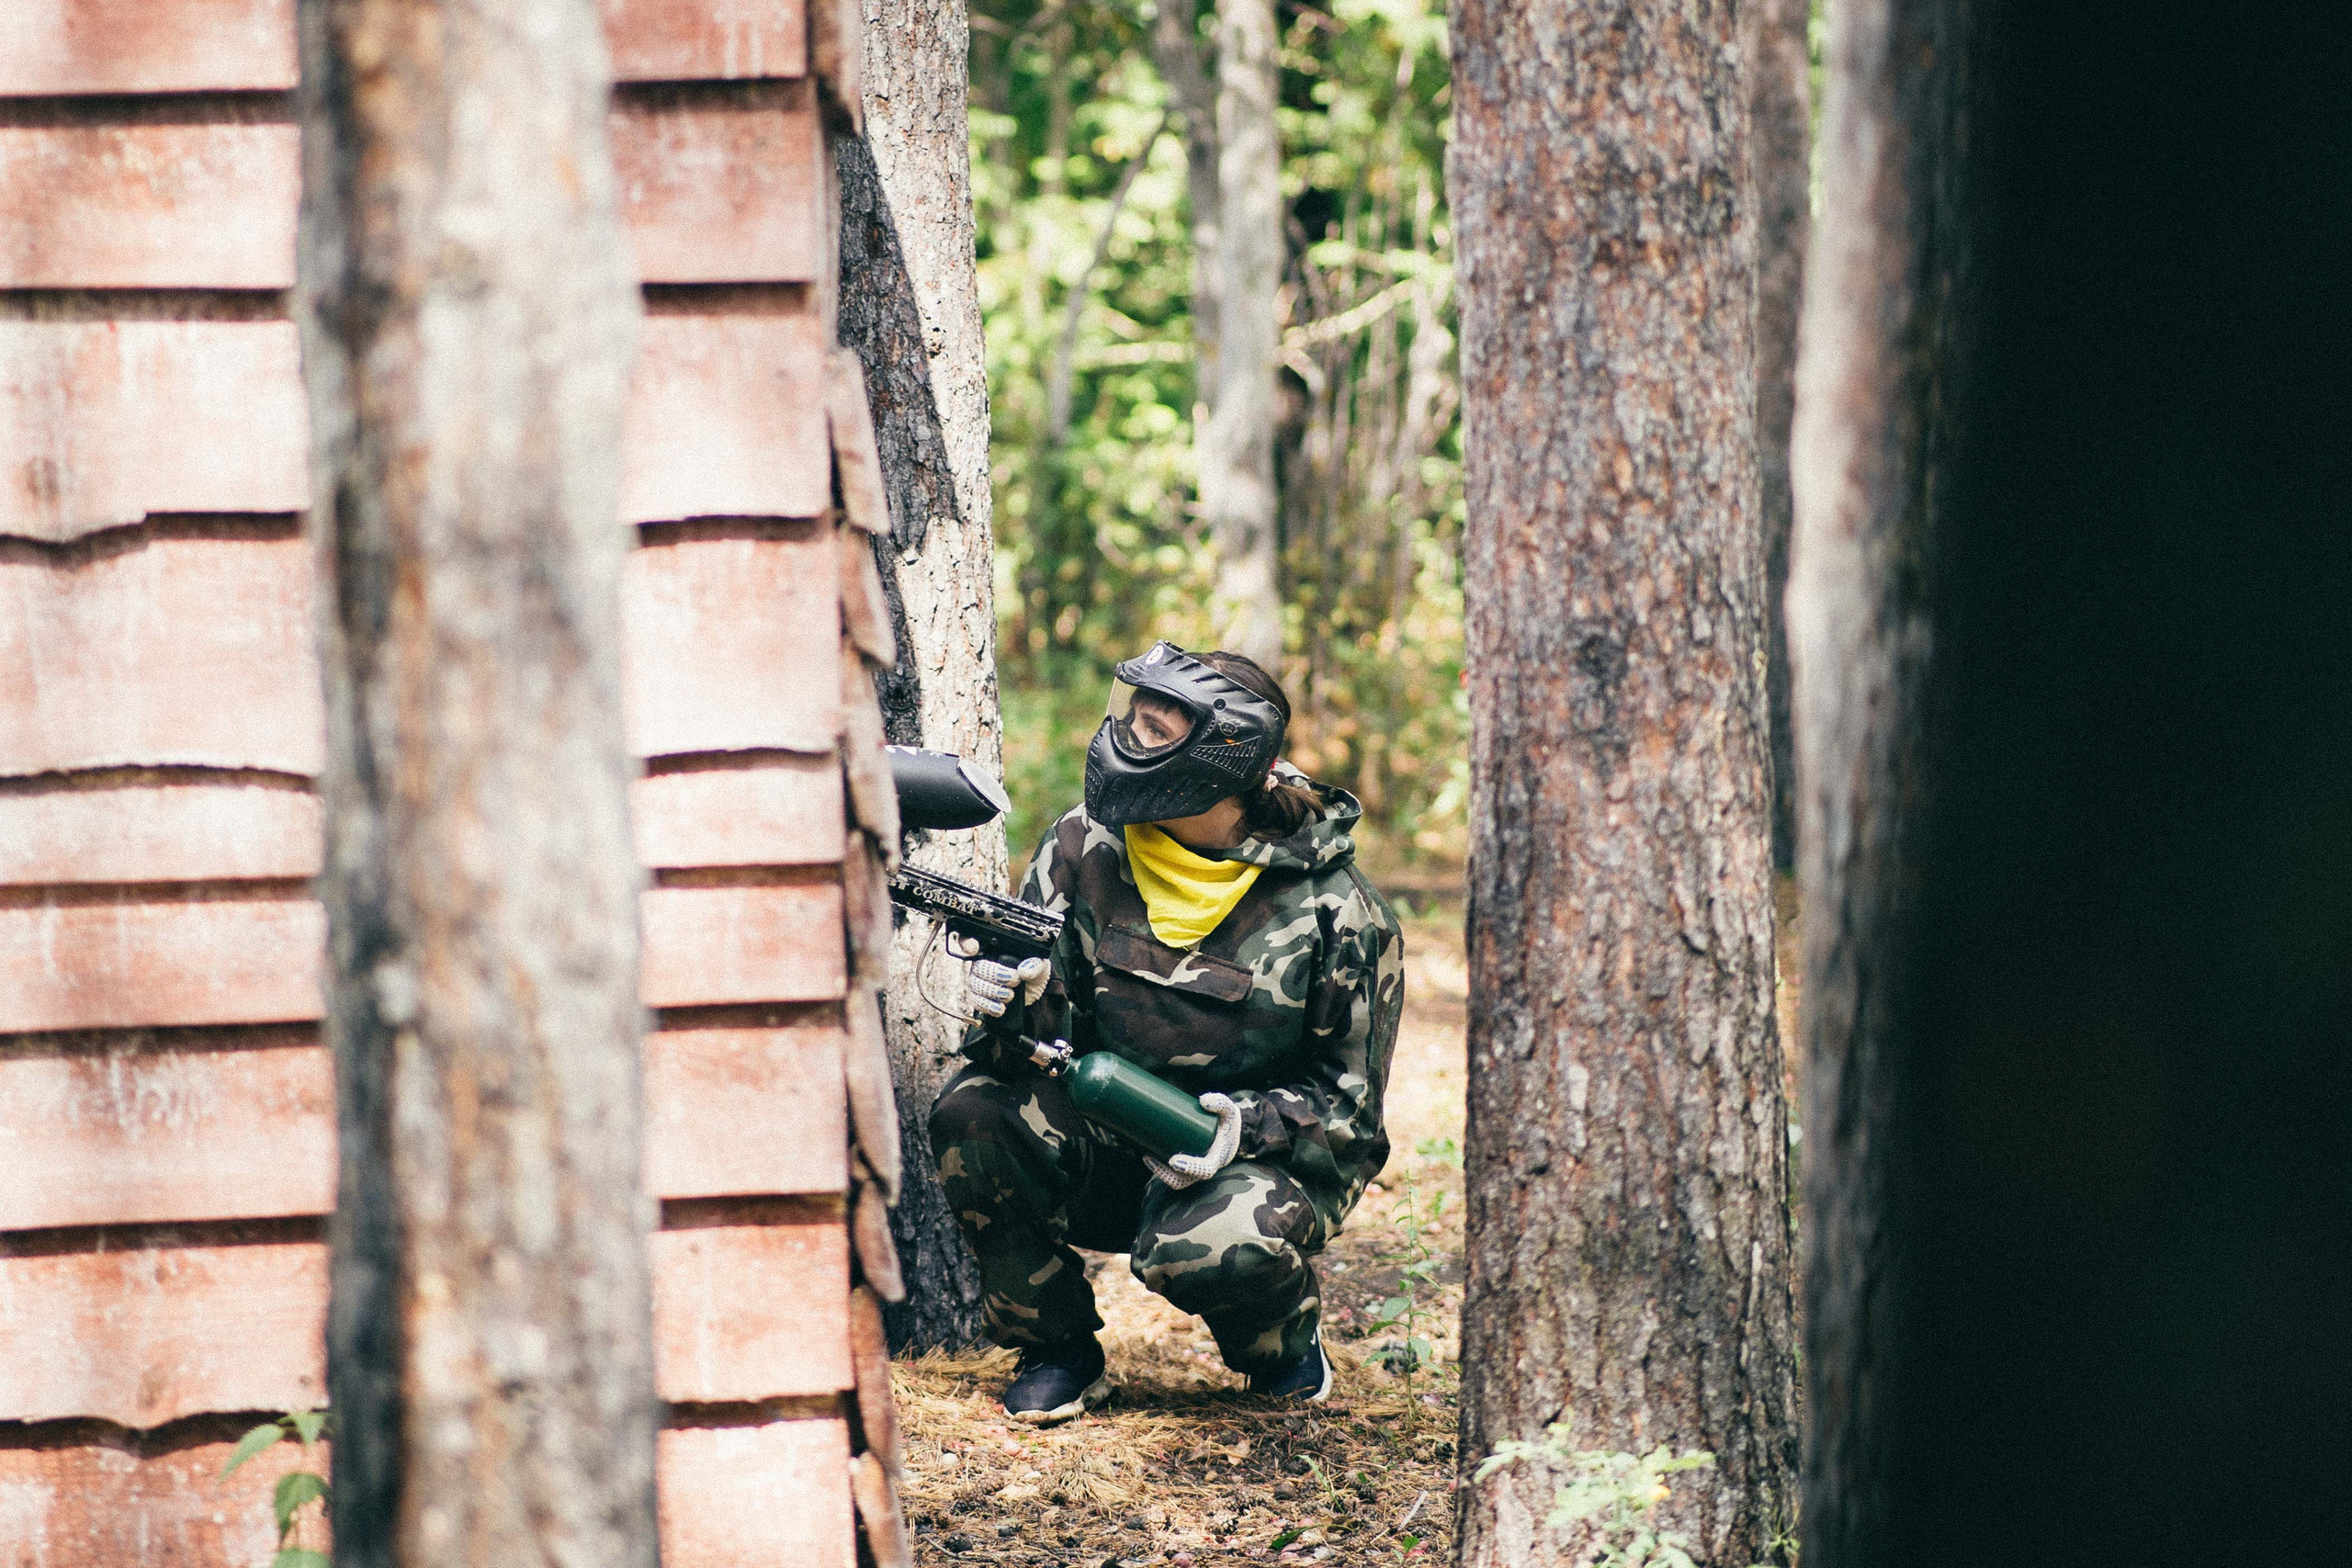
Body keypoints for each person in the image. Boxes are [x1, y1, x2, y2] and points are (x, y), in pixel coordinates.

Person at [929, 642, 1405, 1425]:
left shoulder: (1338, 912)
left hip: (1241, 1175)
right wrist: (1016, 1003)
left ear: (1225, 755)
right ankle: (1057, 1350)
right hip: (1103, 1149)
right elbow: (1032, 1055)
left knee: (1207, 1242)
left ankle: (1281, 1346)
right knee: (973, 1113)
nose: (1125, 741)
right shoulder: (1083, 846)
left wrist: (1238, 1128)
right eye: (1132, 720)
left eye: (1154, 732)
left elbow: (1350, 1115)